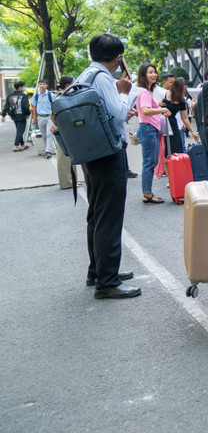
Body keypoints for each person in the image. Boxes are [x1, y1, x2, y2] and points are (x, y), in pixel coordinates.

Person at [75, 34, 141, 299]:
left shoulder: (86, 74)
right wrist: (124, 92)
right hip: (108, 153)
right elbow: (118, 112)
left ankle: (98, 270)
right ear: (118, 57)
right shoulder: (103, 78)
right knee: (109, 217)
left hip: (90, 151)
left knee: (97, 214)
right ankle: (107, 282)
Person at [135, 63, 170, 204]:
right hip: (148, 129)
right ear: (143, 75)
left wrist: (158, 105)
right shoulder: (144, 92)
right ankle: (147, 194)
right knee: (149, 162)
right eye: (150, 72)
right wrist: (162, 110)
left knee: (151, 161)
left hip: (150, 129)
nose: (154, 75)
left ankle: (147, 193)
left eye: (155, 72)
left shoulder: (147, 92)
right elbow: (145, 110)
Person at [51, 75, 78, 189]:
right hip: (63, 129)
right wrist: (58, 125)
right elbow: (52, 115)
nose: (75, 84)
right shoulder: (60, 98)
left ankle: (72, 180)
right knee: (63, 156)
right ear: (67, 85)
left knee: (71, 155)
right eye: (74, 82)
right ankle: (66, 182)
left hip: (67, 128)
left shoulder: (65, 96)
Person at [161, 77, 199, 155]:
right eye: (181, 89)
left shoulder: (181, 100)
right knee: (164, 152)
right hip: (162, 124)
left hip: (173, 125)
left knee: (177, 149)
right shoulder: (165, 94)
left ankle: (175, 167)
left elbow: (184, 117)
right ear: (175, 87)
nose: (183, 92)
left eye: (184, 90)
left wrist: (192, 132)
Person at [31, 79, 57, 157]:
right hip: (40, 117)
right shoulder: (36, 95)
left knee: (49, 134)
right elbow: (34, 107)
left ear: (47, 85)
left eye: (44, 84)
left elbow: (55, 105)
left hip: (49, 117)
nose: (42, 86)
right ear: (38, 85)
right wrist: (34, 118)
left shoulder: (51, 95)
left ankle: (48, 151)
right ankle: (47, 149)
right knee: (44, 135)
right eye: (41, 84)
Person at [2, 81, 31, 151]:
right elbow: (25, 106)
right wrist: (28, 114)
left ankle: (23, 145)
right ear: (20, 87)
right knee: (21, 130)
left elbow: (6, 106)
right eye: (23, 86)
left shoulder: (10, 96)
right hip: (22, 115)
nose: (23, 88)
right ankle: (15, 145)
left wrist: (3, 115)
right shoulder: (23, 96)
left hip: (14, 116)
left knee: (19, 130)